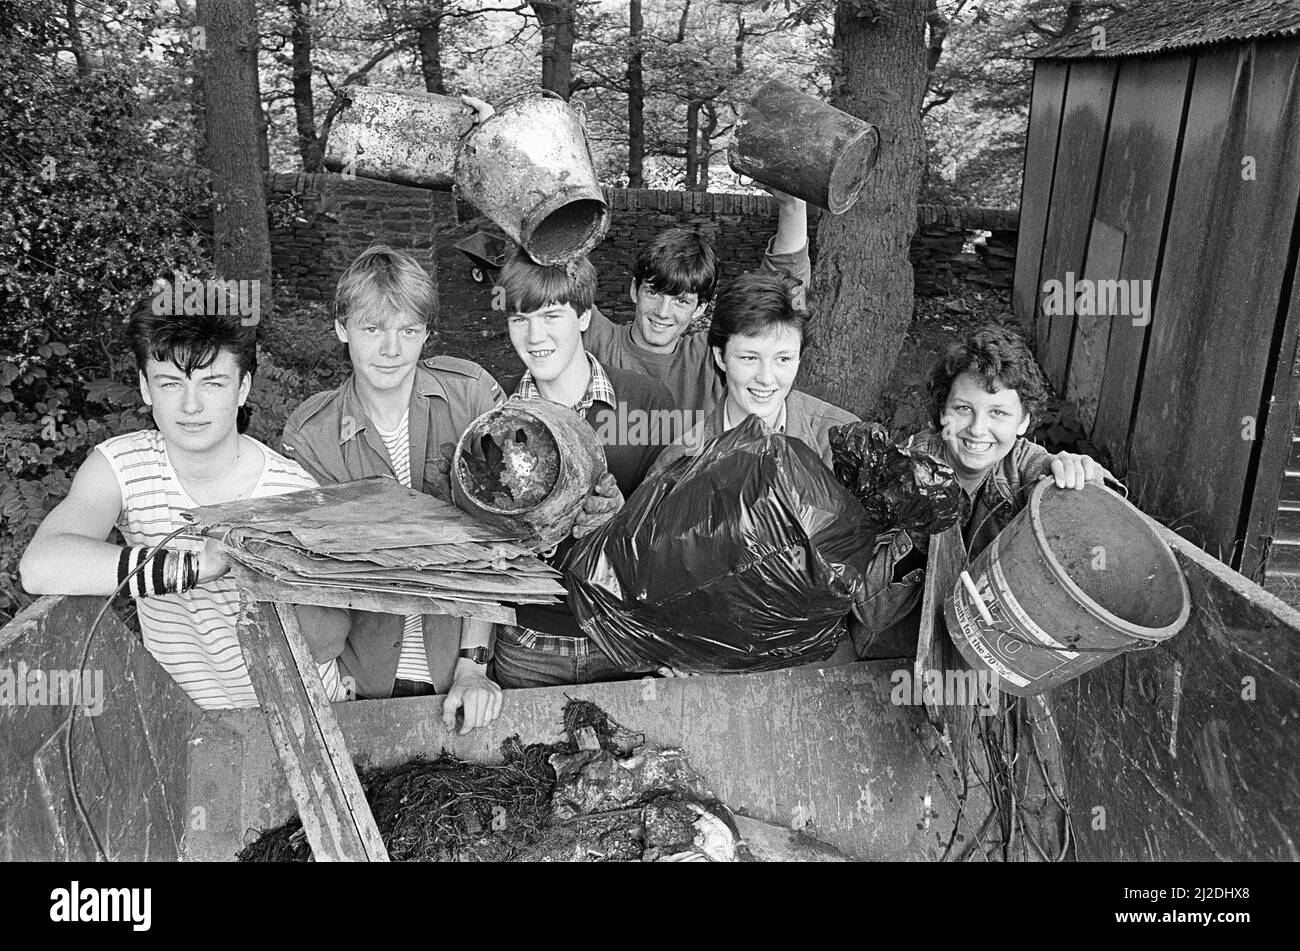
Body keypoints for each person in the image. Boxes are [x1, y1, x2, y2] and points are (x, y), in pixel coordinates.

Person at [19, 311, 349, 711]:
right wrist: (194, 566)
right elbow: (40, 566)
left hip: (302, 711)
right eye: (171, 383)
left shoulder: (292, 491)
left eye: (212, 382)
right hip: (185, 719)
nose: (191, 405)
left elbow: (329, 641)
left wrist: (285, 578)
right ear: (145, 387)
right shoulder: (122, 465)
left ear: (242, 388)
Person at [281, 245, 508, 733]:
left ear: (426, 332)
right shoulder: (312, 433)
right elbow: (312, 574)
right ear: (342, 327)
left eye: (409, 330)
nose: (391, 349)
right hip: (359, 680)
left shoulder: (470, 396)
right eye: (372, 329)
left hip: (466, 672)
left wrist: (474, 661)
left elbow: (499, 537)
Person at [649, 270, 862, 668]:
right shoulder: (682, 459)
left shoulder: (839, 441)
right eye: (749, 357)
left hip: (819, 655)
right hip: (714, 658)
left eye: (783, 359)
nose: (767, 379)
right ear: (719, 357)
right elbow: (653, 576)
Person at [851, 323, 1113, 639]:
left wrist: (1079, 472)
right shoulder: (904, 471)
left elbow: (1101, 510)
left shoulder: (1022, 462)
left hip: (990, 640)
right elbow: (870, 610)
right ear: (942, 414)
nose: (977, 429)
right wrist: (920, 527)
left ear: (1024, 421)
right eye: (963, 409)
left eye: (998, 413)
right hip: (904, 642)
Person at [492, 246, 676, 689]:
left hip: (626, 640)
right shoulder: (495, 409)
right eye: (520, 319)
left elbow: (677, 535)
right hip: (527, 644)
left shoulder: (648, 402)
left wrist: (624, 517)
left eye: (551, 315)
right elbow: (481, 541)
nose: (535, 337)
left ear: (584, 316)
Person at [583, 191, 811, 414]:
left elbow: (785, 290)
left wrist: (793, 207)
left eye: (681, 301)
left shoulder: (708, 357)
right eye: (653, 293)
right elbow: (555, 278)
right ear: (634, 290)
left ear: (700, 308)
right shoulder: (596, 337)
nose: (663, 312)